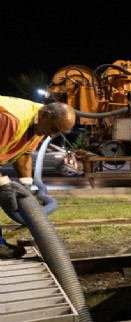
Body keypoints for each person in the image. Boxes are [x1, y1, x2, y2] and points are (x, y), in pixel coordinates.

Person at [0, 95, 76, 259]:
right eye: (54, 129)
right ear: (45, 116)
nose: (52, 135)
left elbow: (24, 156)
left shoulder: (39, 124)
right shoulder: (10, 120)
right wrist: (4, 185)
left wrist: (26, 187)